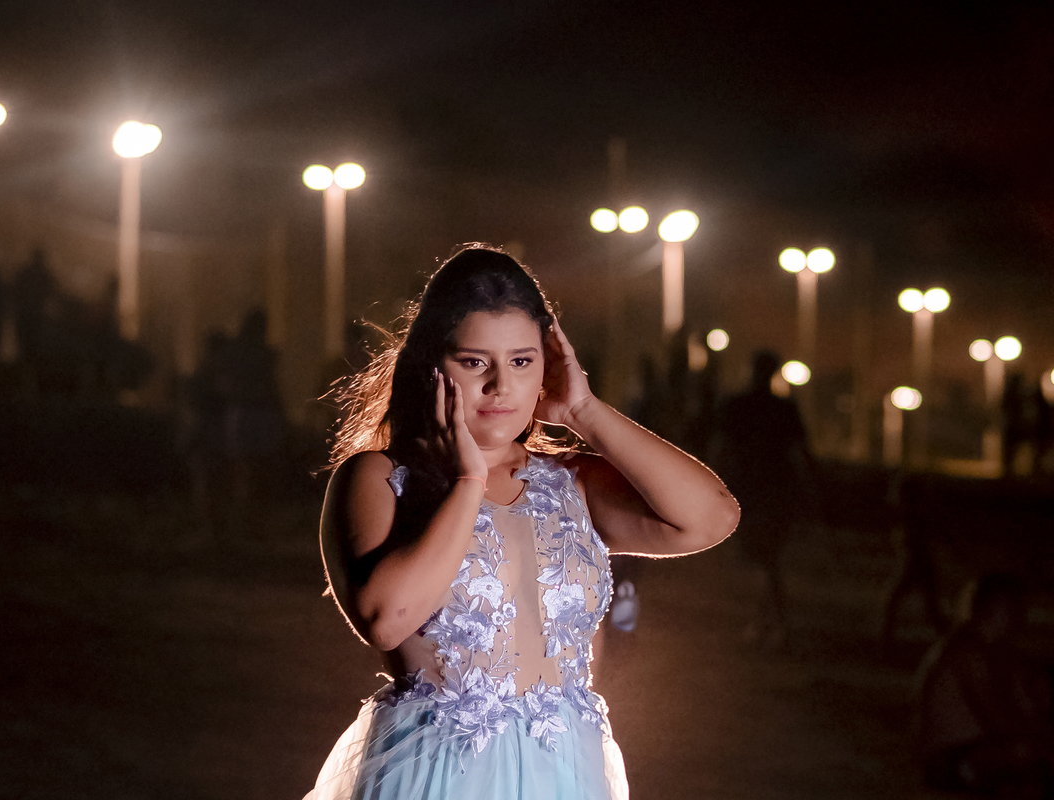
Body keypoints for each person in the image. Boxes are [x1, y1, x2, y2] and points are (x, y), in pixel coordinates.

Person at [308, 245, 740, 800]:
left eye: (521, 360)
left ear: (548, 366)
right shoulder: (380, 477)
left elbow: (713, 518)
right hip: (438, 775)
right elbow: (386, 619)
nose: (500, 386)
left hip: (565, 773)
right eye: (473, 362)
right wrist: (468, 482)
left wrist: (584, 411)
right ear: (430, 365)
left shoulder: (572, 482)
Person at [917, 574, 1054, 798]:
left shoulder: (995, 650)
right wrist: (1043, 746)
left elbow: (1022, 706)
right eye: (1015, 605)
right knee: (1026, 756)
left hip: (972, 750)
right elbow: (995, 715)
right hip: (949, 758)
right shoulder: (967, 652)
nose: (1022, 614)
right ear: (992, 607)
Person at [709, 349, 815, 649]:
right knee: (769, 559)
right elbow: (802, 453)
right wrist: (813, 491)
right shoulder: (784, 409)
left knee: (760, 558)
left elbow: (720, 450)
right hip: (776, 489)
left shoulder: (736, 406)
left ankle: (767, 620)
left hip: (748, 490)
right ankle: (771, 619)